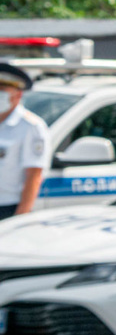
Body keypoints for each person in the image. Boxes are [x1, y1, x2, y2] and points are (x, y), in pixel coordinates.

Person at [0, 61, 49, 220]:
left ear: (18, 94)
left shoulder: (31, 126)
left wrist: (20, 218)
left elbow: (33, 176)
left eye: (2, 90)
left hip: (7, 209)